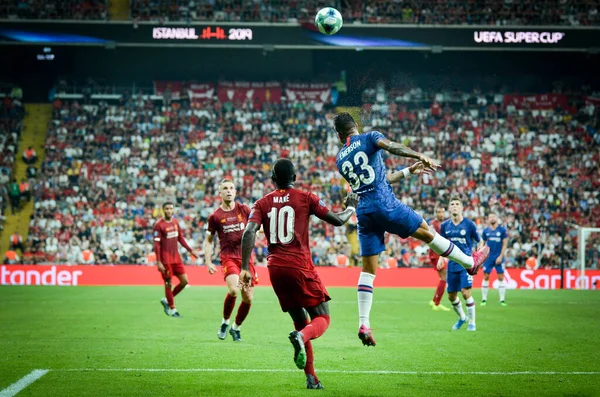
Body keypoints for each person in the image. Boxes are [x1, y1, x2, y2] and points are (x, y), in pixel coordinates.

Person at [333, 112, 489, 345]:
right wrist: (419, 155)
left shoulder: (339, 159)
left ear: (338, 135)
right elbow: (391, 146)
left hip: (364, 213)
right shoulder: (369, 137)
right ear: (355, 125)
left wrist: (408, 171)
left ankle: (363, 323)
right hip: (385, 204)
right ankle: (470, 263)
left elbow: (377, 179)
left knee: (367, 271)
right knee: (428, 232)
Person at [240, 158, 359, 390]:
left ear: (273, 179)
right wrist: (351, 207)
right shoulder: (306, 197)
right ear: (295, 178)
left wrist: (245, 267)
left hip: (275, 269)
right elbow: (337, 220)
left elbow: (248, 233)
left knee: (299, 321)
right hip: (299, 266)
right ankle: (302, 338)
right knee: (322, 318)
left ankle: (311, 378)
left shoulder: (261, 203)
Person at [205, 179, 256, 342]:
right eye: (225, 188)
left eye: (231, 188)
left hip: (246, 259)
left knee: (247, 298)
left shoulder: (244, 210)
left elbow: (257, 227)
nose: (228, 191)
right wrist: (208, 261)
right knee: (234, 290)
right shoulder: (215, 216)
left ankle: (236, 328)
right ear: (220, 193)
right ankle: (225, 322)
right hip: (229, 258)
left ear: (235, 192)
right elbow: (208, 240)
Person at [438, 197, 480, 332]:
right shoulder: (445, 226)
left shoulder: (469, 225)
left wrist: (478, 259)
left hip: (466, 264)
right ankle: (462, 317)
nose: (455, 206)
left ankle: (472, 323)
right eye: (452, 204)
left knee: (466, 292)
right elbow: (441, 244)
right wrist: (440, 258)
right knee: (451, 295)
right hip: (452, 265)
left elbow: (479, 241)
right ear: (449, 209)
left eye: (457, 204)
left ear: (462, 208)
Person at [153, 202, 200, 318]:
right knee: (168, 283)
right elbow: (157, 245)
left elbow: (180, 238)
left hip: (176, 258)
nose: (169, 211)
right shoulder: (159, 225)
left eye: (171, 209)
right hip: (165, 260)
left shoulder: (175, 222)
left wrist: (190, 250)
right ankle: (173, 309)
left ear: (173, 210)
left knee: (184, 281)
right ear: (163, 210)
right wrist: (159, 261)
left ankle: (166, 299)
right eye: (167, 209)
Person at [480, 213, 509, 306]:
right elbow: (482, 243)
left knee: (500, 277)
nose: (492, 218)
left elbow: (505, 244)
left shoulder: (502, 230)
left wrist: (500, 256)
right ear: (488, 219)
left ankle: (502, 300)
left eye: (493, 216)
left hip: (498, 257)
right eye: (490, 217)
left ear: (496, 218)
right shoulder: (486, 231)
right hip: (488, 258)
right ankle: (484, 299)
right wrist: (482, 254)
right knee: (486, 276)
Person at [428, 207, 451, 312]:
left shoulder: (444, 223)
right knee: (444, 277)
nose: (441, 214)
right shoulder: (435, 224)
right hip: (437, 253)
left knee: (443, 277)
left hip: (439, 252)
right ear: (435, 213)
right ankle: (436, 303)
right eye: (438, 212)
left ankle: (434, 300)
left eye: (442, 212)